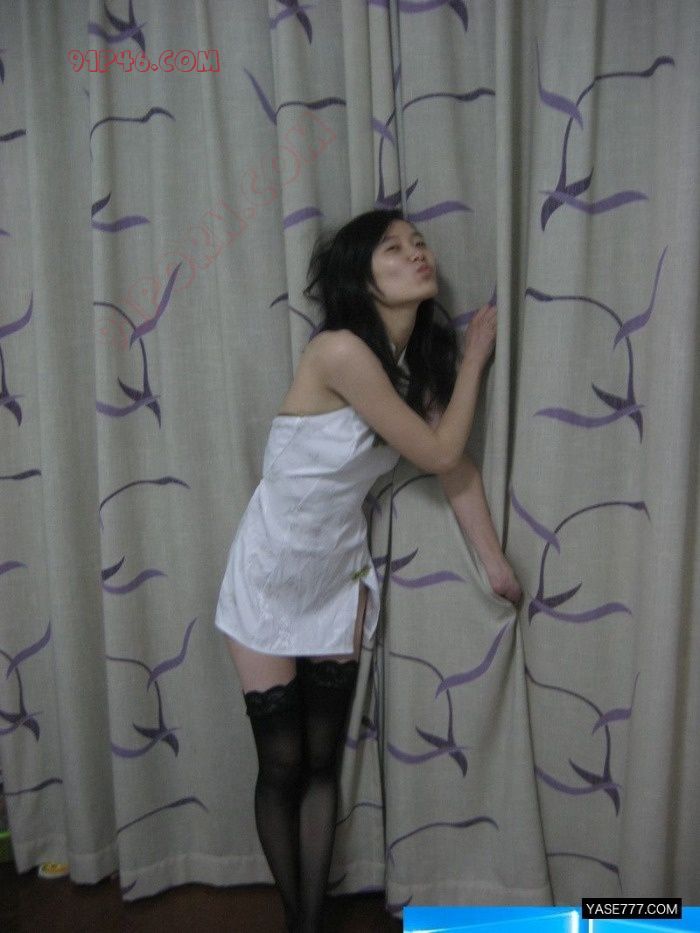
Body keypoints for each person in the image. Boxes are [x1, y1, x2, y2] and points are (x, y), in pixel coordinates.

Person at [215, 209, 520, 932]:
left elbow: (455, 467)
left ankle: (310, 922)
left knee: (323, 762)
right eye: (393, 248)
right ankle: (300, 922)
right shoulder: (340, 351)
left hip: (338, 578)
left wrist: (494, 564)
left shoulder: (414, 366)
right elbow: (440, 452)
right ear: (361, 276)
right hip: (268, 573)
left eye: (419, 243)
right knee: (282, 762)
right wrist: (475, 361)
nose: (416, 254)